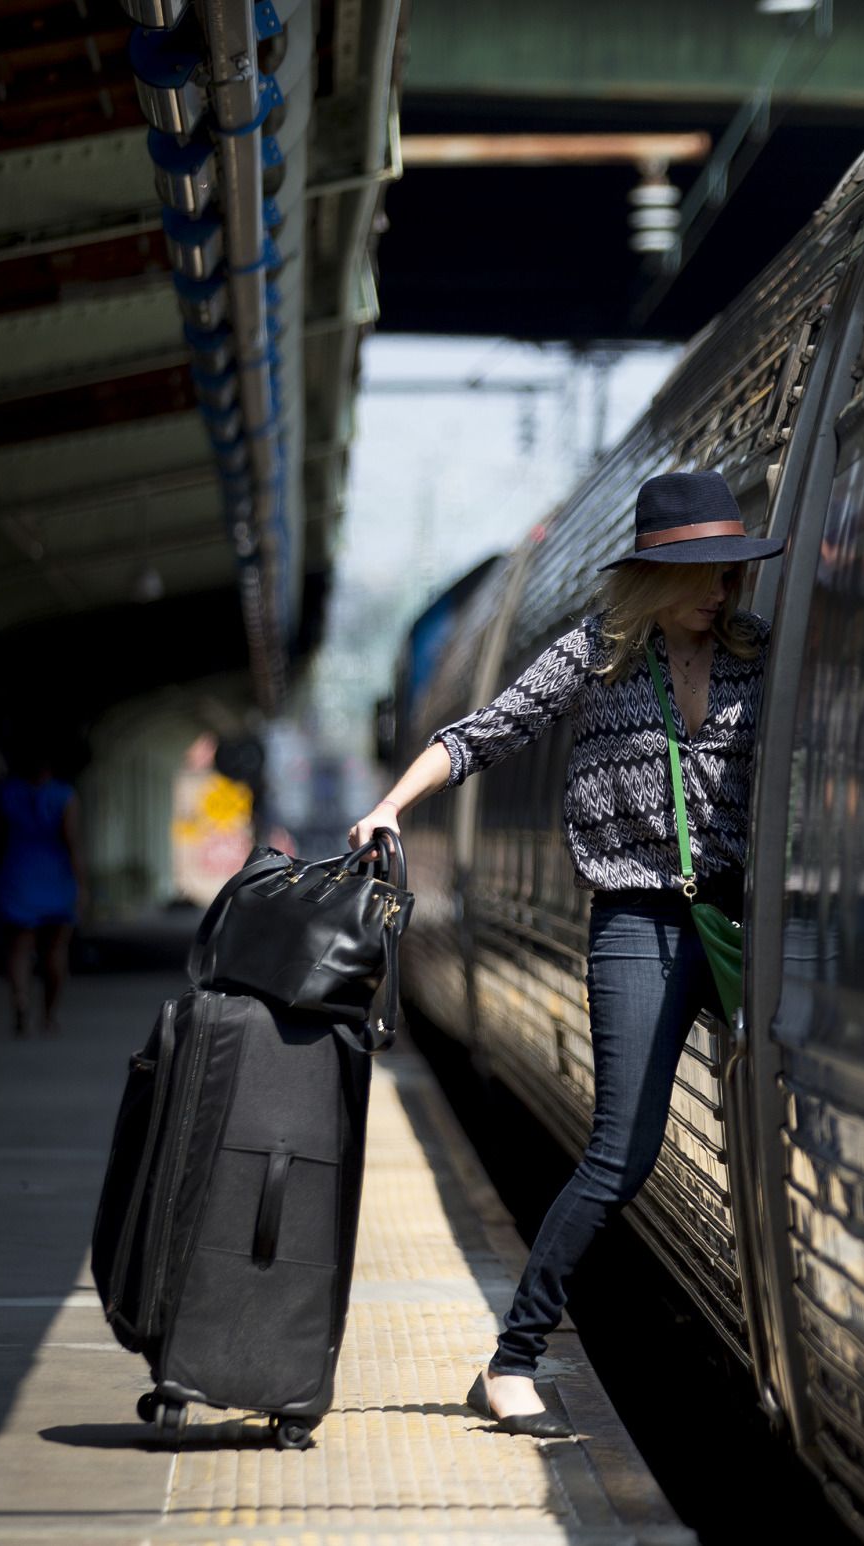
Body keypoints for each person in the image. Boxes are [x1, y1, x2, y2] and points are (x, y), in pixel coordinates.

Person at [349, 470, 782, 1438]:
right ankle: (511, 1361)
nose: (722, 590)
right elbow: (479, 735)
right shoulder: (593, 657)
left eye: (730, 572)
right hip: (636, 922)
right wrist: (389, 806)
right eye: (704, 573)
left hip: (735, 919)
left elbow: (859, 741)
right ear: (653, 579)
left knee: (809, 1102)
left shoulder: (760, 657)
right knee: (620, 1153)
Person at [0, 746, 85, 1038]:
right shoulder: (64, 796)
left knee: (19, 947)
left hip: (18, 870)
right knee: (55, 950)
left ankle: (20, 1002)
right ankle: (49, 1015)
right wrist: (81, 882)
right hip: (55, 873)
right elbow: (71, 840)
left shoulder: (8, 794)